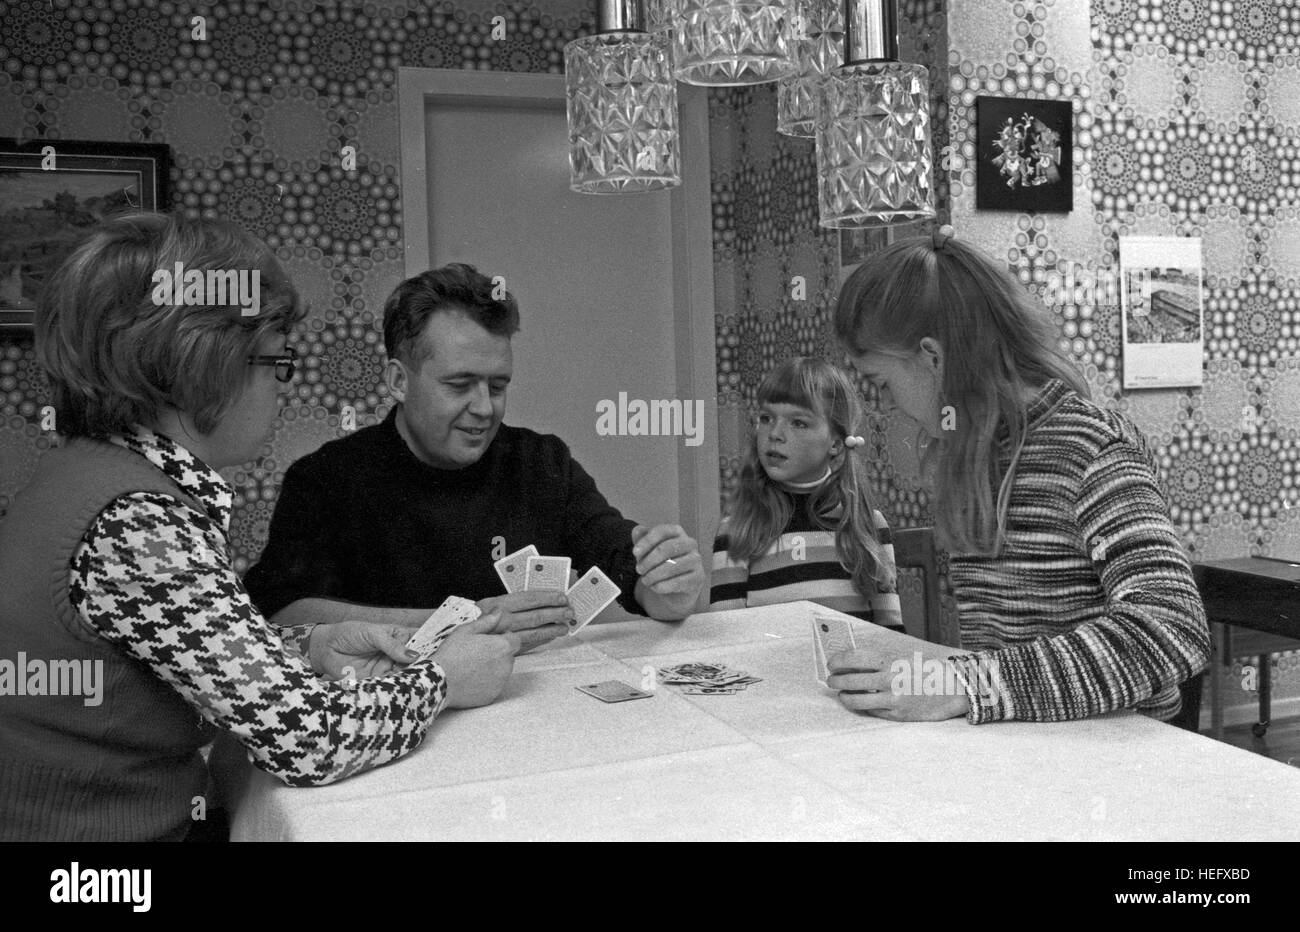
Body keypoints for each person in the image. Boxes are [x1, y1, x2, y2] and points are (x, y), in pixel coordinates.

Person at [0, 214, 560, 842]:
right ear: (202, 365)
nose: (283, 388)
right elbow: (309, 742)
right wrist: (443, 680)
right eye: (276, 362)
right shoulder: (137, 521)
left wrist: (312, 646)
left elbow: (190, 654)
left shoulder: (89, 476)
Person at [826, 226, 1210, 724]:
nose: (883, 405)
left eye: (882, 383)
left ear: (934, 358)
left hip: (1119, 763)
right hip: (1030, 753)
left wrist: (967, 682)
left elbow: (1174, 625)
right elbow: (1005, 653)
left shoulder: (1092, 450)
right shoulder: (970, 450)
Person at [243, 263, 706, 635]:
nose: (484, 408)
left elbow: (629, 571)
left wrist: (670, 585)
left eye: (498, 386)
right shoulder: (326, 480)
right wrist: (467, 621)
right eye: (460, 384)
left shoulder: (543, 463)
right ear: (398, 381)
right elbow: (283, 613)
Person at [709, 357, 902, 629]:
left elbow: (891, 633)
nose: (775, 433)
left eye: (798, 423)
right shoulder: (738, 528)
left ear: (835, 443)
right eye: (766, 418)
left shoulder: (868, 524)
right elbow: (726, 634)